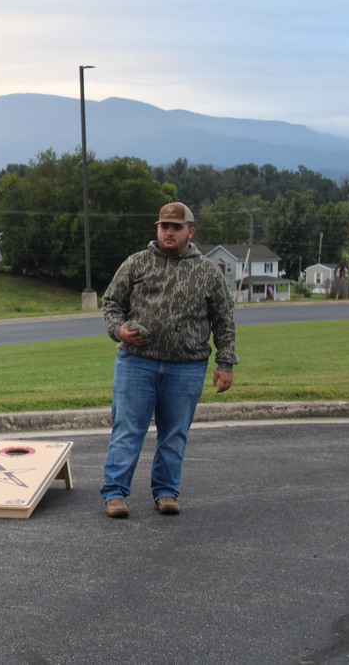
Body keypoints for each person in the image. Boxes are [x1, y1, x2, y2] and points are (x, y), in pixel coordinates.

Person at [100, 201, 238, 518]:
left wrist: (226, 363)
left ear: (191, 231)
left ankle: (166, 492)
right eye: (164, 226)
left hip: (187, 367)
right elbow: (111, 303)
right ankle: (115, 494)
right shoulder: (136, 264)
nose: (170, 232)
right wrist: (119, 330)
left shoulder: (207, 272)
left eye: (177, 227)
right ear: (158, 229)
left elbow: (224, 320)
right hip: (137, 362)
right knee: (127, 430)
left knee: (174, 433)